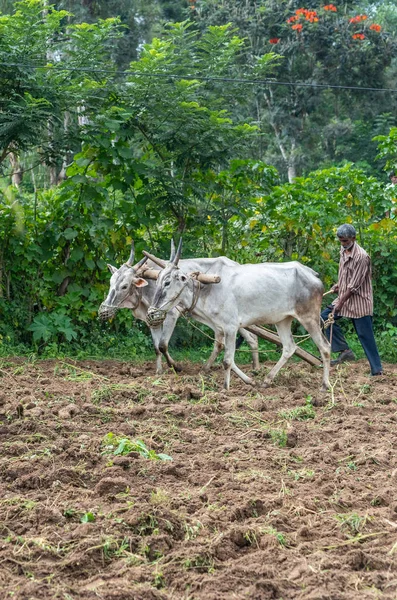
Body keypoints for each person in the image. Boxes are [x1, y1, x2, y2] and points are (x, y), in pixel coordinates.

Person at [321, 224, 383, 376]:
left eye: (345, 241)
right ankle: (345, 351)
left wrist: (340, 303)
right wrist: (338, 285)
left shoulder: (362, 257)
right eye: (341, 241)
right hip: (344, 296)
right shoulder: (343, 250)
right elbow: (345, 275)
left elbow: (354, 285)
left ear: (354, 238)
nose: (343, 244)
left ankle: (377, 370)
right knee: (323, 318)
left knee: (364, 335)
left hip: (359, 301)